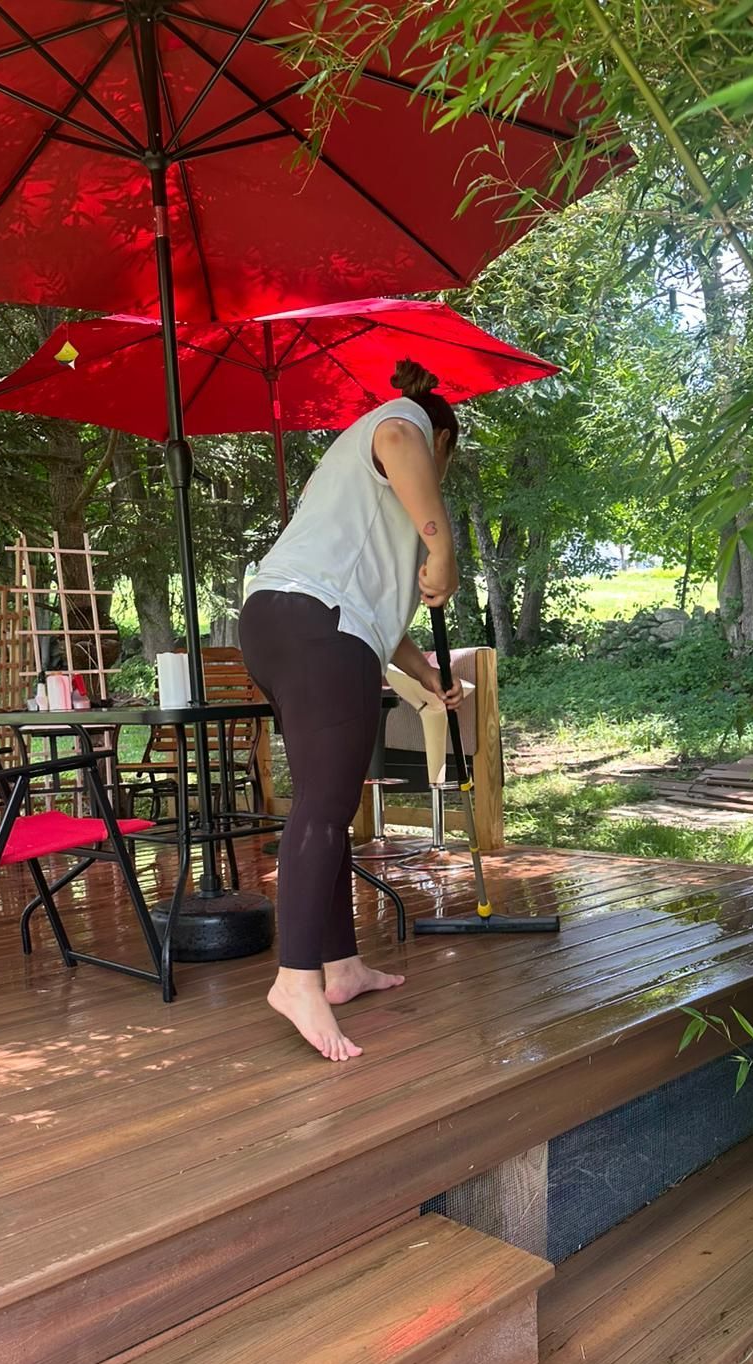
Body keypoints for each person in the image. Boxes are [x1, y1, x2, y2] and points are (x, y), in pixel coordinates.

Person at [239, 361, 463, 1063]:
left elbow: (366, 611)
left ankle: (339, 966)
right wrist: (441, 541)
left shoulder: (354, 493)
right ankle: (295, 978)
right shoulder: (404, 425)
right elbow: (401, 433)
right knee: (323, 809)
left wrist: (426, 674)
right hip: (316, 627)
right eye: (443, 457)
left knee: (325, 803)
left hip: (285, 622)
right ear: (443, 440)